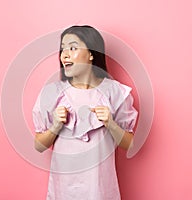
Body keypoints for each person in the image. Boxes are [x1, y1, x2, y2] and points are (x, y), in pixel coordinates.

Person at [32, 25, 138, 200]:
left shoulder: (115, 92)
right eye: (63, 49)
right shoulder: (51, 93)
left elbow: (129, 144)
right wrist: (55, 126)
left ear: (91, 53)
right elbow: (39, 145)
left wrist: (111, 124)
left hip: (100, 188)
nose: (64, 54)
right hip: (64, 189)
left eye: (73, 48)